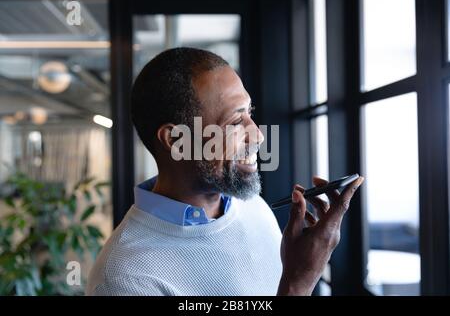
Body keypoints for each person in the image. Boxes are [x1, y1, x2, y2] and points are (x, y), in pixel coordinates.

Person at [86, 47, 364, 296]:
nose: (257, 136)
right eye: (234, 122)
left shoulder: (250, 205)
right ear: (176, 141)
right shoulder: (123, 279)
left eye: (249, 113)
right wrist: (299, 283)